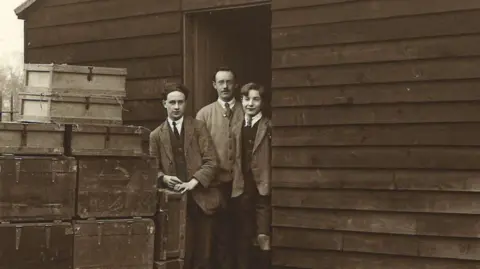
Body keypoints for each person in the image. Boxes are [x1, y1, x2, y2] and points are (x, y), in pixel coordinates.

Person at [149, 83, 220, 269]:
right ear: (164, 104)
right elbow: (151, 169)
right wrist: (163, 178)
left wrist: (193, 182)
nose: (176, 107)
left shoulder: (198, 127)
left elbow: (212, 161)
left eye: (180, 102)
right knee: (180, 254)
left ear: (185, 103)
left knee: (204, 255)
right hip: (174, 202)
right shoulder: (156, 136)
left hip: (202, 200)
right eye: (172, 102)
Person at [196, 67, 244, 269]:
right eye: (221, 82)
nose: (225, 86)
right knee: (216, 237)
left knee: (240, 235)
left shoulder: (246, 110)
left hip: (241, 186)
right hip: (215, 186)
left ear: (235, 84)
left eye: (229, 82)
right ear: (214, 86)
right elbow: (197, 150)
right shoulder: (205, 114)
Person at [231, 82, 272, 269]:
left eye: (256, 99)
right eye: (247, 99)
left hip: (262, 185)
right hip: (242, 185)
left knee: (263, 234)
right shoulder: (236, 126)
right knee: (243, 232)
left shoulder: (268, 126)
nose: (250, 103)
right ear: (241, 100)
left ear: (262, 102)